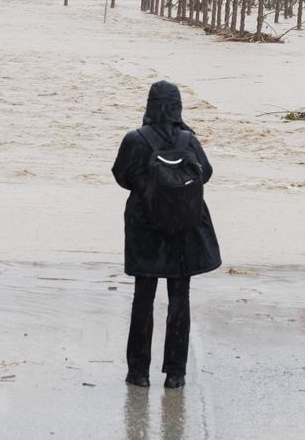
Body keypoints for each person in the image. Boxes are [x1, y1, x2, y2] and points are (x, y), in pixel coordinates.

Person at [112, 81, 221, 390]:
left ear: (149, 105)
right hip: (182, 231)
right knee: (179, 300)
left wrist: (148, 185)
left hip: (145, 230)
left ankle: (139, 372)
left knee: (143, 299)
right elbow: (207, 173)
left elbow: (121, 176)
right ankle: (175, 374)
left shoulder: (134, 139)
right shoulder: (189, 140)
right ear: (177, 106)